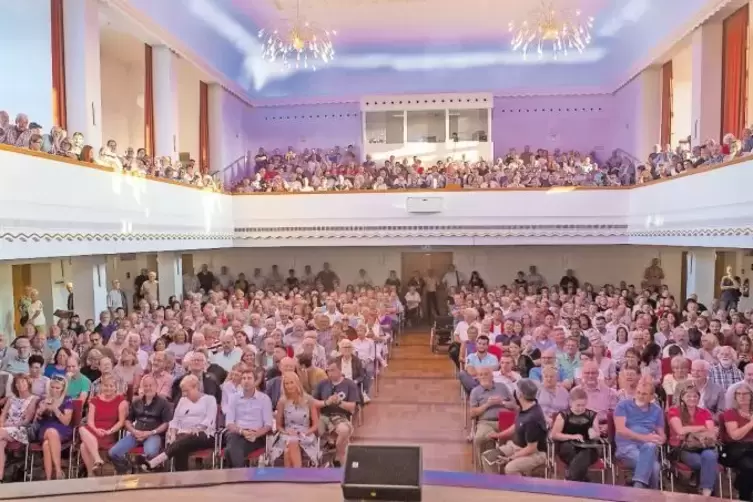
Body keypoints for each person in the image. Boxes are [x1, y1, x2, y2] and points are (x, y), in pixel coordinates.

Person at [137, 374, 217, 472]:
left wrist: (196, 429)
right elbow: (175, 420)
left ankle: (154, 462)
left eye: (186, 391)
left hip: (204, 435)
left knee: (180, 442)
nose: (184, 394)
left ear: (196, 387)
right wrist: (173, 431)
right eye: (183, 391)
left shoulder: (210, 399)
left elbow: (210, 420)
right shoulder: (183, 400)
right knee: (180, 444)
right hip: (183, 434)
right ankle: (180, 476)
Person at [481, 379, 548, 476]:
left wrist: (511, 458)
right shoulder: (525, 407)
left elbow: (531, 448)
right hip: (516, 446)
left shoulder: (532, 419)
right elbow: (516, 426)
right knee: (487, 457)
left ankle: (519, 490)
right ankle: (495, 486)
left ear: (520, 394)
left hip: (536, 453)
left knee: (510, 468)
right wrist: (498, 435)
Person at [108, 375, 172, 474]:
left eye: (151, 385)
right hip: (136, 434)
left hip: (153, 435)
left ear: (156, 386)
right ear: (142, 387)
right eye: (145, 386)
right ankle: (128, 468)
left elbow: (166, 423)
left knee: (150, 453)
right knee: (113, 453)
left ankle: (150, 472)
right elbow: (127, 420)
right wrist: (134, 431)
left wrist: (150, 432)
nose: (148, 388)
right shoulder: (136, 402)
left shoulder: (164, 403)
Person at [666, 384, 718, 497]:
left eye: (695, 396)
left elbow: (712, 432)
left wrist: (688, 430)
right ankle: (703, 489)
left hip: (704, 445)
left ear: (699, 398)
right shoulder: (674, 410)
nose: (692, 399)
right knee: (702, 462)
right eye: (689, 396)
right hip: (683, 448)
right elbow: (680, 430)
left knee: (710, 456)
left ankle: (706, 492)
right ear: (682, 398)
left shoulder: (705, 412)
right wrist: (702, 427)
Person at [613, 378, 665, 489]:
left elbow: (662, 434)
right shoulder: (623, 406)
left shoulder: (657, 410)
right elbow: (621, 430)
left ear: (652, 397)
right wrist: (645, 438)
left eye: (644, 394)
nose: (640, 396)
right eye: (638, 392)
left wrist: (660, 439)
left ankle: (638, 487)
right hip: (627, 448)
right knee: (654, 468)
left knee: (651, 446)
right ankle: (646, 493)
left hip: (648, 449)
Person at [77, 375, 128, 476]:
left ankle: (90, 474)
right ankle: (96, 461)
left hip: (108, 432)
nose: (108, 388)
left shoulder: (121, 401)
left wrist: (110, 431)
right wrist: (96, 430)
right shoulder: (94, 400)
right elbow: (90, 421)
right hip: (94, 430)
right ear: (101, 387)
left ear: (115, 388)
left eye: (111, 386)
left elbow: (121, 422)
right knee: (82, 429)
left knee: (84, 445)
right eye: (105, 386)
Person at [313, 358, 359, 467]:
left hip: (341, 416)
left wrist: (339, 402)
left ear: (340, 369)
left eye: (332, 370)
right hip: (323, 416)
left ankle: (338, 454)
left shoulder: (350, 384)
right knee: (314, 429)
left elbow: (352, 407)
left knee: (343, 430)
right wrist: (326, 402)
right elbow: (313, 402)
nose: (329, 373)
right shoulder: (322, 383)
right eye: (328, 370)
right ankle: (325, 451)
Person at [223, 368, 273, 468]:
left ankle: (235, 478)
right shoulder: (233, 398)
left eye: (249, 378)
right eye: (243, 378)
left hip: (256, 436)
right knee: (233, 444)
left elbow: (268, 424)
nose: (246, 381)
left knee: (230, 450)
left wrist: (255, 434)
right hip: (237, 433)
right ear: (240, 382)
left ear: (255, 381)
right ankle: (242, 476)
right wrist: (242, 431)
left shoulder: (264, 399)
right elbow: (229, 423)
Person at [270, 372, 320, 467]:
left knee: (288, 449)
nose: (289, 386)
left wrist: (305, 433)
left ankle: (292, 477)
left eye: (291, 382)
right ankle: (297, 476)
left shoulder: (309, 400)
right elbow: (278, 426)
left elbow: (315, 425)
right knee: (291, 442)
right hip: (287, 434)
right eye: (286, 383)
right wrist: (286, 432)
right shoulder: (282, 401)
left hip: (305, 435)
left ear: (297, 383)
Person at [550, 387, 600, 482]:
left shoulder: (592, 415)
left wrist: (594, 434)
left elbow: (597, 434)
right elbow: (554, 435)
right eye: (578, 405)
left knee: (586, 452)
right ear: (570, 402)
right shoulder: (563, 415)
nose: (581, 408)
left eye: (583, 405)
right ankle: (582, 480)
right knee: (579, 455)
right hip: (567, 447)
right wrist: (572, 436)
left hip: (588, 447)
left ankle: (570, 479)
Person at [470, 366, 513, 468]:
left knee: (516, 438)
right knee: (479, 438)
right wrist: (487, 405)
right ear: (477, 378)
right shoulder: (475, 391)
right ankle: (483, 471)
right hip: (485, 422)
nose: (483, 377)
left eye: (486, 374)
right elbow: (472, 413)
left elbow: (515, 406)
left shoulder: (502, 387)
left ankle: (508, 469)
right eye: (481, 375)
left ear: (492, 376)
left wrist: (502, 402)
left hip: (505, 420)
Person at [0, 374, 39, 481]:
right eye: (17, 383)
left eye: (22, 382)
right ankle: (0, 476)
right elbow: (2, 416)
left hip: (21, 430)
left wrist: (9, 425)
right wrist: (3, 424)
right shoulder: (11, 399)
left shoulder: (34, 399)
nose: (20, 385)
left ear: (28, 383)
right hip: (5, 429)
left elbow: (26, 420)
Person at [35, 376, 74, 480]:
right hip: (44, 428)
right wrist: (40, 411)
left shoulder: (67, 399)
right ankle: (58, 471)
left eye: (57, 388)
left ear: (63, 388)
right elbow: (37, 420)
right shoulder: (43, 399)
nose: (54, 390)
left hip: (62, 429)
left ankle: (48, 479)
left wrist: (55, 409)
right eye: (52, 387)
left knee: (47, 445)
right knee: (50, 432)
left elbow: (66, 421)